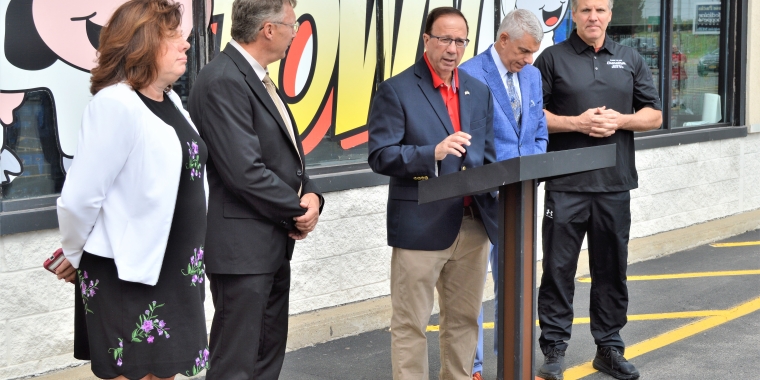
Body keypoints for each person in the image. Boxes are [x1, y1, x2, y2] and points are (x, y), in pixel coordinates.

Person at [55, 0, 210, 378]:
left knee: (167, 372)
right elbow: (80, 197)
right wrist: (74, 256)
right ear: (142, 43)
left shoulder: (170, 100)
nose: (185, 43)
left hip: (175, 270)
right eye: (172, 35)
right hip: (128, 274)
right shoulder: (115, 104)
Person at [187, 0, 324, 378]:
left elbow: (286, 158)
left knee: (265, 359)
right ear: (268, 30)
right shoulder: (223, 80)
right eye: (290, 24)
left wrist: (312, 194)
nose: (295, 32)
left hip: (269, 244)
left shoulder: (256, 77)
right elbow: (244, 171)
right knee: (237, 363)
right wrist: (298, 211)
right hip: (241, 251)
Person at [533, 0, 662, 379]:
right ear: (573, 14)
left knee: (611, 269)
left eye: (601, 10)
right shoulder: (551, 59)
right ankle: (554, 351)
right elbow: (531, 115)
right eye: (586, 9)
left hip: (614, 184)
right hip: (565, 185)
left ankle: (609, 348)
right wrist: (577, 123)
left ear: (610, 14)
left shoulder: (630, 59)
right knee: (558, 270)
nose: (594, 17)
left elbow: (653, 114)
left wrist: (620, 120)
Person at [367, 7, 499, 380]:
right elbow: (380, 155)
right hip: (420, 225)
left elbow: (487, 156)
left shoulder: (478, 91)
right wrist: (433, 154)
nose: (453, 49)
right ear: (426, 40)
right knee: (411, 325)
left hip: (473, 226)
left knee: (463, 321)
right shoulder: (397, 90)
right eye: (444, 39)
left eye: (460, 40)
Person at [459, 9, 548, 380]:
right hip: (483, 201)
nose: (528, 61)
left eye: (533, 54)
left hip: (522, 200)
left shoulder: (532, 75)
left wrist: (533, 169)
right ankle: (473, 367)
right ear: (503, 39)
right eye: (524, 51)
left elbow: (538, 130)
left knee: (518, 284)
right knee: (471, 287)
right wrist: (490, 181)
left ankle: (514, 363)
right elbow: (467, 138)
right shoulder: (468, 74)